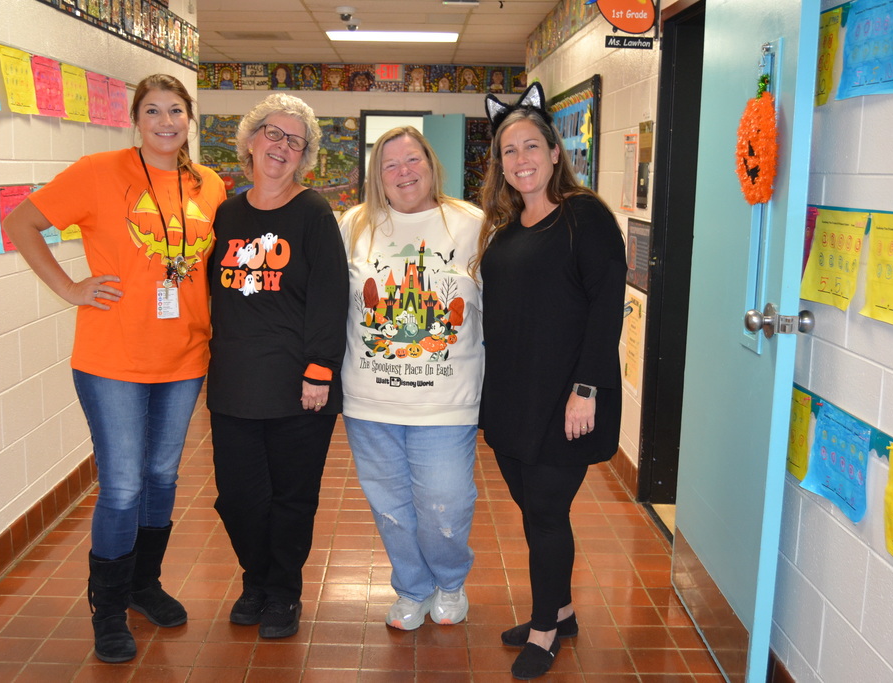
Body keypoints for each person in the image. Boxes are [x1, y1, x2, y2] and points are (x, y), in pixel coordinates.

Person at [2, 74, 226, 663]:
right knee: (123, 486)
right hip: (113, 360)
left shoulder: (210, 185)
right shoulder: (97, 171)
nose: (166, 121)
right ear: (135, 120)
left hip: (184, 356)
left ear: (190, 120)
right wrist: (70, 288)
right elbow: (21, 222)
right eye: (153, 111)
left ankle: (141, 585)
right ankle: (106, 608)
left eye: (176, 110)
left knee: (161, 477)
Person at [474, 83, 627, 679]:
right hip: (514, 397)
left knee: (545, 513)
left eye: (531, 146)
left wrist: (585, 389)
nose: (521, 160)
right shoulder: (507, 229)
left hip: (566, 398)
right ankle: (559, 610)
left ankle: (544, 629)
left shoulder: (582, 216)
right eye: (509, 151)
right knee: (533, 509)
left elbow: (606, 305)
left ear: (555, 152)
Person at [207, 93, 348, 640]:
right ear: (249, 140)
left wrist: (321, 369)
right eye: (273, 133)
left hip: (299, 386)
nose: (282, 146)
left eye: (296, 141)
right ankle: (255, 577)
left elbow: (330, 296)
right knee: (238, 496)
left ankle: (282, 590)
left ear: (305, 156)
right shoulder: (225, 214)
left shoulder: (313, 212)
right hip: (234, 383)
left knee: (293, 497)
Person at [339, 127, 484, 631]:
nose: (403, 172)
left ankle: (449, 581)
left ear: (431, 162)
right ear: (376, 174)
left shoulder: (471, 223)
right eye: (390, 164)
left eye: (412, 159)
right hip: (368, 399)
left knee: (445, 502)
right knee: (391, 507)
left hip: (446, 401)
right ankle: (412, 588)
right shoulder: (354, 223)